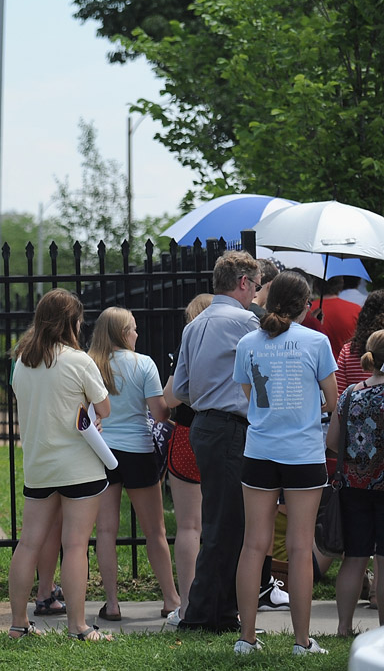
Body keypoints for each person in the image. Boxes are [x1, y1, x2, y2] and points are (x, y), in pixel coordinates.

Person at [231, 270, 337, 655]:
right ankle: (301, 641)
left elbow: (249, 394)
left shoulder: (248, 343)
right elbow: (332, 398)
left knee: (253, 545)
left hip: (259, 450)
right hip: (304, 455)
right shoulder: (317, 342)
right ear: (305, 306)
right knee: (298, 547)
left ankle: (247, 638)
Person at [8, 288, 113, 641]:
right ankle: (78, 627)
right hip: (79, 467)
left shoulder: (21, 362)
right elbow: (104, 408)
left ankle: (19, 624)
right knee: (76, 545)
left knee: (29, 544)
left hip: (39, 466)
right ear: (72, 322)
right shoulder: (79, 360)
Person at [174, 250, 263, 633]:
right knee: (226, 527)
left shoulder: (194, 325)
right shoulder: (246, 321)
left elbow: (180, 388)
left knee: (222, 523)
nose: (257, 294)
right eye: (256, 286)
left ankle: (221, 612)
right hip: (231, 428)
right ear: (243, 282)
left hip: (204, 427)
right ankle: (200, 617)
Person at [89, 307, 180, 623]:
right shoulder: (144, 364)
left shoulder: (92, 364)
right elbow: (159, 413)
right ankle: (170, 599)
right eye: (134, 329)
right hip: (139, 450)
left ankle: (112, 603)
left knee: (105, 530)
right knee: (155, 530)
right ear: (123, 332)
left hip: (102, 451)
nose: (137, 334)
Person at [163, 293, 212, 626]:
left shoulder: (186, 349)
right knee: (224, 524)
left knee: (188, 527)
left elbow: (168, 398)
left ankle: (189, 604)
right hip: (226, 438)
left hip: (185, 436)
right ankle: (222, 600)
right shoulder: (235, 344)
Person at [332, 329, 384, 637]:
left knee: (354, 558)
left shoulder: (350, 394)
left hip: (353, 486)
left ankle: (343, 627)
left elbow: (333, 443)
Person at [311, 276, 361, 357]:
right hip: (345, 366)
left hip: (315, 365)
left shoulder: (307, 310)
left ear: (316, 286)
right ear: (341, 285)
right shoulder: (356, 309)